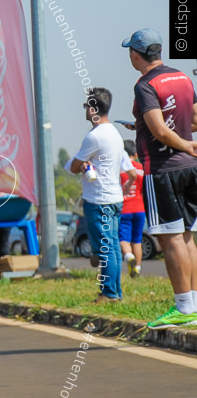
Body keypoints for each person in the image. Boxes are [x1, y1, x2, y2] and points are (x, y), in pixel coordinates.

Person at [122, 28, 197, 327]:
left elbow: (160, 131)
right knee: (188, 236)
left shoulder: (145, 84)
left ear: (135, 54)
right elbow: (191, 119)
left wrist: (186, 143)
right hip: (190, 167)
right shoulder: (181, 77)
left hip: (163, 169)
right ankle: (192, 304)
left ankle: (182, 308)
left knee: (170, 238)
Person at [65, 87, 130, 303]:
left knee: (105, 248)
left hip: (99, 200)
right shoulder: (114, 134)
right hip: (114, 197)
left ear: (93, 109)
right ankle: (115, 291)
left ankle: (109, 293)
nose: (85, 110)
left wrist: (82, 163)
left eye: (86, 106)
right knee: (111, 246)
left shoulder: (94, 137)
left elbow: (74, 167)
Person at [119, 139, 146, 279]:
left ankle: (129, 256)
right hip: (140, 208)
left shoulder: (119, 169)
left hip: (124, 208)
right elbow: (143, 190)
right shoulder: (140, 169)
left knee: (123, 238)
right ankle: (137, 267)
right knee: (137, 239)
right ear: (135, 154)